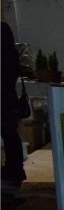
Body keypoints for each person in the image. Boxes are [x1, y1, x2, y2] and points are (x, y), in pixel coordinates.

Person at [1, 22, 26, 191]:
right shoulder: (12, 54)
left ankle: (14, 168)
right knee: (11, 135)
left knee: (9, 135)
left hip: (4, 100)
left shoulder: (3, 55)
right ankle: (15, 167)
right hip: (10, 98)